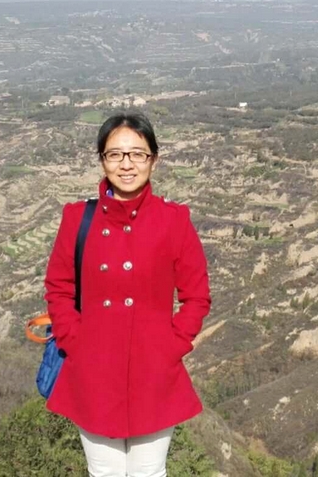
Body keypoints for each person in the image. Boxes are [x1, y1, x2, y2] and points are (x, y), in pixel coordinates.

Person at [44, 112, 211, 477]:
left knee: (149, 472)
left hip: (153, 370)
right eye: (115, 154)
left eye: (137, 154)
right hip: (93, 368)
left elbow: (197, 296)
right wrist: (74, 339)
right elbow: (58, 287)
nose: (126, 164)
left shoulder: (174, 220)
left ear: (154, 159)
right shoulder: (77, 218)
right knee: (103, 472)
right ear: (102, 160)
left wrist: (173, 344)